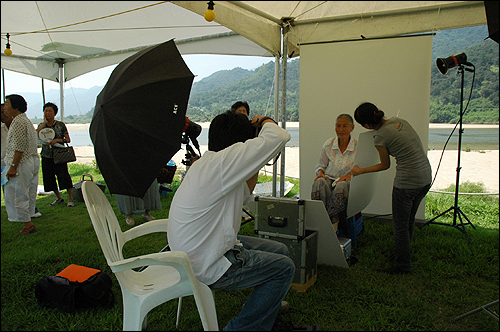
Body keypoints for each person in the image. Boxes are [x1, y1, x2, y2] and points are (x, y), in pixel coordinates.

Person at [167, 112, 295, 331]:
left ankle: (267, 305)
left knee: (280, 249)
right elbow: (279, 137)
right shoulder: (222, 164)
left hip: (193, 251)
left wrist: (255, 158)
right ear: (240, 143)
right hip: (205, 262)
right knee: (284, 268)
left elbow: (246, 190)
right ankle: (240, 328)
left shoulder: (209, 164)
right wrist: (264, 121)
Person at [351, 102, 432, 275]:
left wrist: (360, 171)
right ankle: (403, 253)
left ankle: (402, 266)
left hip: (407, 183)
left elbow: (384, 165)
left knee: (400, 225)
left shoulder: (380, 136)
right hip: (425, 177)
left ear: (366, 125)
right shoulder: (399, 120)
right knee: (409, 220)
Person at [311, 114, 357, 232]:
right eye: (338, 126)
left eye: (344, 126)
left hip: (346, 182)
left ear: (352, 128)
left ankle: (334, 224)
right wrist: (320, 173)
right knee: (319, 182)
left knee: (341, 186)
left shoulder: (357, 147)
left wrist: (349, 176)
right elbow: (321, 165)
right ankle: (318, 220)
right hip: (329, 179)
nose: (340, 129)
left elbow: (360, 170)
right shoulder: (329, 144)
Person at [3, 94, 40, 235]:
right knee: (27, 192)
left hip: (21, 162)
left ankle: (28, 224)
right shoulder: (24, 120)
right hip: (30, 160)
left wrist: (13, 166)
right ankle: (28, 219)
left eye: (7, 104)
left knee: (17, 193)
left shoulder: (18, 122)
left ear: (16, 107)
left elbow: (19, 147)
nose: (5, 107)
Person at [36, 102, 75, 207]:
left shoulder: (60, 125)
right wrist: (43, 124)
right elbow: (35, 136)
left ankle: (70, 198)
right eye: (46, 111)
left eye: (50, 111)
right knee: (49, 178)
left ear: (54, 113)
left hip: (59, 155)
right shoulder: (41, 125)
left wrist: (57, 140)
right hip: (46, 155)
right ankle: (59, 197)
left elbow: (67, 139)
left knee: (64, 176)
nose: (47, 113)